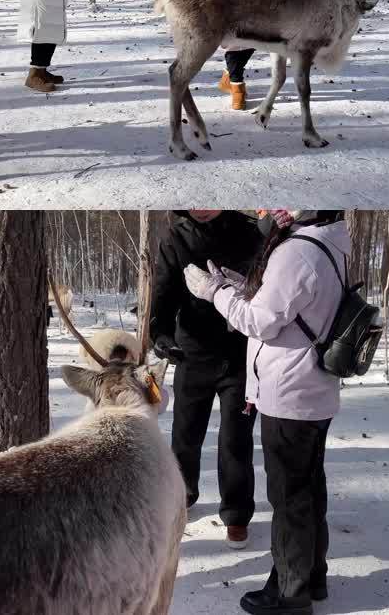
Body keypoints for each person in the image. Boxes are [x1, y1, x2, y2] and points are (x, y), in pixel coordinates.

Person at [186, 210, 349, 615]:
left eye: (276, 205)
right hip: (313, 388)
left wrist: (214, 293)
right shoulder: (329, 240)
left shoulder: (295, 251)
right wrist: (237, 286)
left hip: (291, 392)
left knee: (290, 496)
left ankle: (290, 594)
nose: (264, 212)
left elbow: (258, 322)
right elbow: (292, 305)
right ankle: (312, 576)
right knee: (309, 488)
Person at [150, 210, 265, 551]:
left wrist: (248, 290)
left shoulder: (251, 232)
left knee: (235, 439)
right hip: (192, 353)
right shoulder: (177, 237)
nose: (202, 207)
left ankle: (237, 515)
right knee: (185, 435)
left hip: (240, 356)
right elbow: (164, 292)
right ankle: (181, 498)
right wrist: (160, 334)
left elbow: (270, 292)